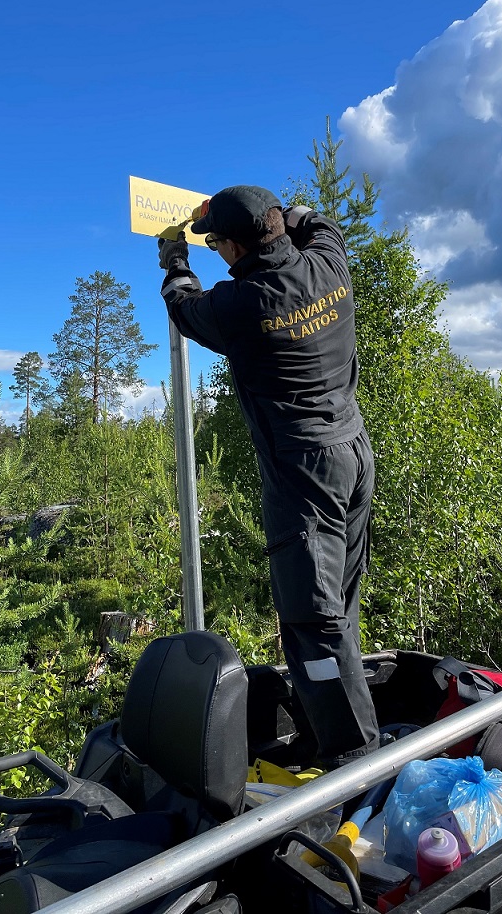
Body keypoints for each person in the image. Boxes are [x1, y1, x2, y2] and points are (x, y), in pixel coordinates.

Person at [158, 184, 379, 769]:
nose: (216, 253)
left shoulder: (241, 304)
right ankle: (323, 728)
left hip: (304, 472)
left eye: (216, 245)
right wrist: (283, 213)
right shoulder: (329, 263)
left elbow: (183, 306)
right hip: (354, 452)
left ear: (233, 247)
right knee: (339, 602)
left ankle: (355, 761)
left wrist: (175, 260)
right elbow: (319, 222)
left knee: (312, 617)